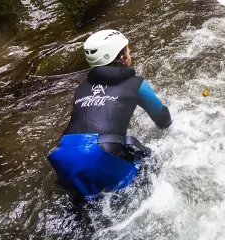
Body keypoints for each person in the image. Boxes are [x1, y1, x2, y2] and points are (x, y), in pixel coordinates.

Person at [48, 30, 172, 199]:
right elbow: (162, 117)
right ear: (120, 57)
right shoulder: (136, 83)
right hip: (102, 152)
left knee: (86, 204)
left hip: (63, 156)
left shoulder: (82, 87)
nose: (130, 54)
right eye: (127, 50)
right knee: (152, 167)